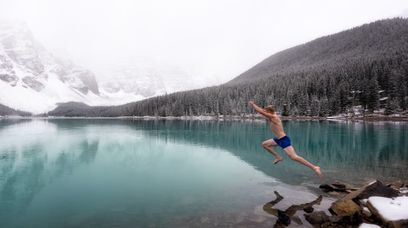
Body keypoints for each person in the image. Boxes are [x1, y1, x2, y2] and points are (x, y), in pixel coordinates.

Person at [249, 101, 322, 177]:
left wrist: (253, 105)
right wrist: (261, 108)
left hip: (284, 140)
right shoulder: (272, 115)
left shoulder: (274, 117)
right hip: (278, 139)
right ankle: (278, 157)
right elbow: (262, 111)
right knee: (264, 144)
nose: (264, 113)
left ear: (269, 112)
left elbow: (261, 112)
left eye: (266, 112)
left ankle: (314, 167)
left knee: (294, 157)